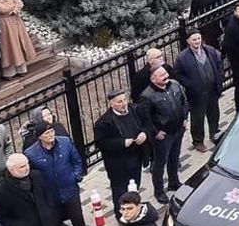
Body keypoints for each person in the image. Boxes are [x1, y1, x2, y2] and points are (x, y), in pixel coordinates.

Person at [22, 122, 95, 226]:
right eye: (46, 133)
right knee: (53, 222)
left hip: (69, 189)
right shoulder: (30, 153)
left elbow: (76, 161)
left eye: (51, 131)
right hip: (49, 194)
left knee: (77, 217)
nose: (50, 135)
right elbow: (31, 175)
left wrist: (76, 176)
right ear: (39, 137)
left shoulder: (65, 142)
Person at [137, 66, 189, 204]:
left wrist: (185, 118)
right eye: (161, 75)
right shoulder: (146, 96)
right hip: (163, 136)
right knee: (160, 164)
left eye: (165, 73)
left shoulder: (175, 85)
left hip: (178, 130)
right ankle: (159, 191)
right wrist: (155, 132)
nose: (166, 76)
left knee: (175, 157)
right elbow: (145, 118)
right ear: (153, 79)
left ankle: (174, 182)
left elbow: (184, 102)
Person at [174, 31, 224, 152]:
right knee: (198, 118)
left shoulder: (210, 50)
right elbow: (177, 74)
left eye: (198, 38)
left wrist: (219, 77)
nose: (197, 41)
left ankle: (214, 134)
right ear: (188, 41)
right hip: (196, 94)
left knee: (214, 113)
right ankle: (198, 141)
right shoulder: (182, 58)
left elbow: (219, 64)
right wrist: (190, 84)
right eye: (194, 39)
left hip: (212, 90)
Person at [95, 90, 148, 201]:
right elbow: (102, 143)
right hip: (118, 164)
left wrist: (144, 133)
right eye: (119, 102)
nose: (124, 103)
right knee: (120, 191)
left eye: (124, 100)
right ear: (111, 104)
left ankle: (133, 209)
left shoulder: (135, 109)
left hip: (136, 157)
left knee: (135, 186)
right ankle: (121, 213)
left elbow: (147, 123)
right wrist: (122, 143)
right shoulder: (104, 122)